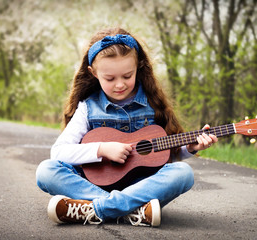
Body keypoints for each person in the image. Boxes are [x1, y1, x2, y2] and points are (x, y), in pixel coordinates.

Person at [36, 27, 218, 227]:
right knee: (46, 170)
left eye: (127, 76)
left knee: (183, 173)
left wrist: (189, 148)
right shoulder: (87, 108)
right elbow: (59, 152)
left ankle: (93, 209)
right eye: (110, 78)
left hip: (140, 188)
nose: (120, 84)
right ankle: (133, 211)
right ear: (94, 73)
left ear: (138, 68)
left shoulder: (153, 104)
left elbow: (162, 155)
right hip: (93, 185)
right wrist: (102, 150)